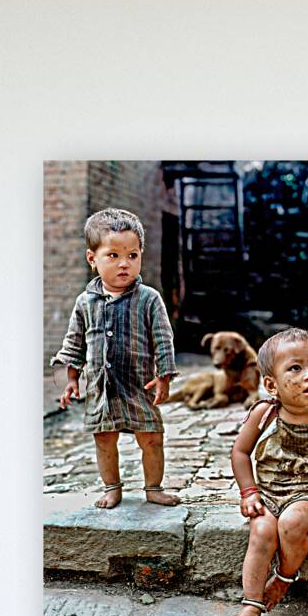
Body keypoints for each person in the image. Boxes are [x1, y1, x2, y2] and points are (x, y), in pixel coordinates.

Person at [226, 328, 308, 616]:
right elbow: (240, 452)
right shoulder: (264, 414)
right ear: (271, 384)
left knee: (291, 523)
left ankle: (284, 577)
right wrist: (249, 492)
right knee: (261, 533)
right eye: (295, 368)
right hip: (269, 495)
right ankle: (251, 604)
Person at [51, 208, 180, 508]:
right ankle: (112, 487)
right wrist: (72, 380)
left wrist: (164, 376)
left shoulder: (149, 299)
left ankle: (153, 488)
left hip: (139, 385)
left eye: (132, 256)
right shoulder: (85, 302)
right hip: (101, 388)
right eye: (113, 256)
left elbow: (163, 339)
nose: (124, 264)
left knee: (151, 438)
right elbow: (75, 343)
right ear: (92, 259)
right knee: (105, 440)